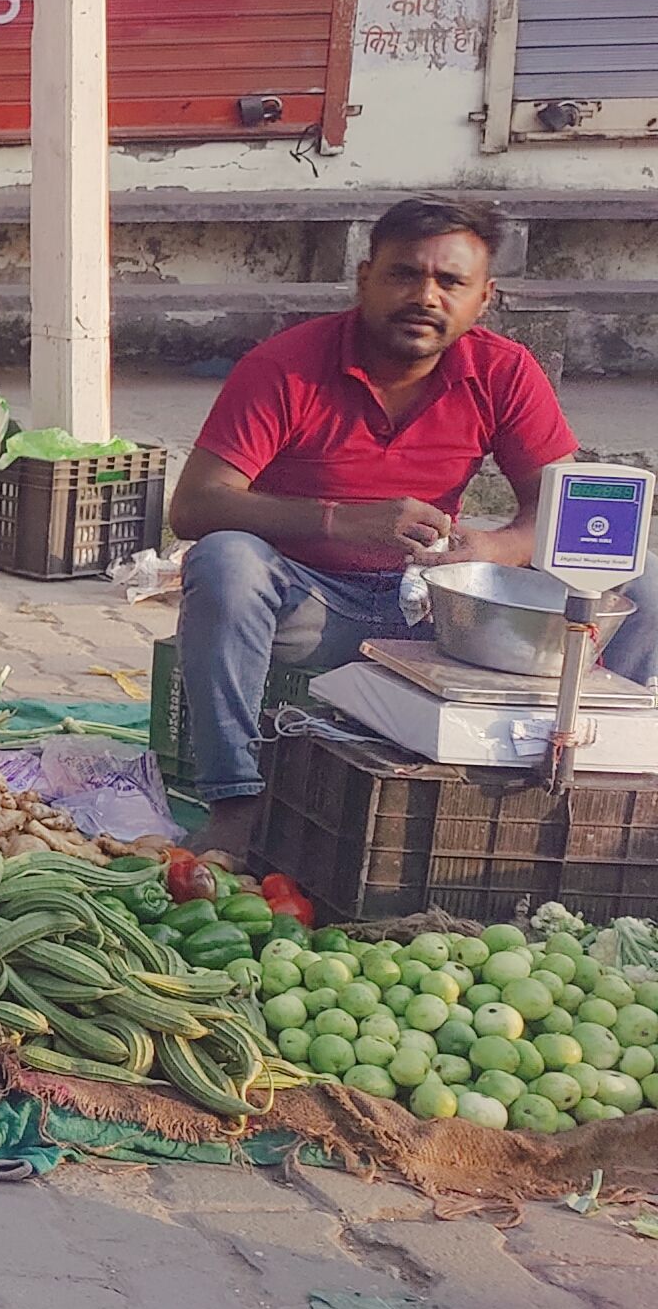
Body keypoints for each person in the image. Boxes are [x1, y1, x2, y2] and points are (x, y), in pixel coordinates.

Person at [169, 194, 658, 853]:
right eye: (404, 274)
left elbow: (563, 510)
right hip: (313, 608)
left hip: (448, 612)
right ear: (365, 279)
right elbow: (195, 505)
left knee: (640, 580)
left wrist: (494, 548)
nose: (425, 296)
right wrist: (341, 522)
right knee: (225, 560)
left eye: (450, 282)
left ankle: (579, 788)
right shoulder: (284, 365)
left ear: (483, 298)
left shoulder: (503, 370)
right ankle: (237, 803)